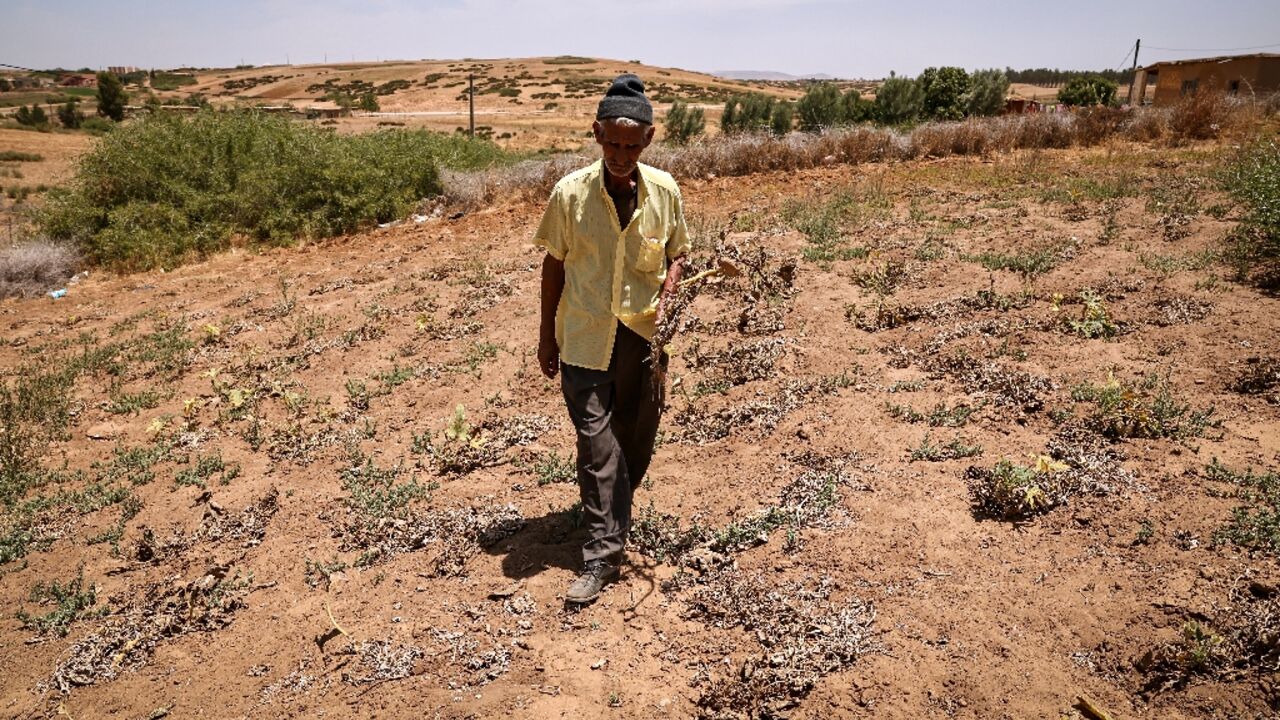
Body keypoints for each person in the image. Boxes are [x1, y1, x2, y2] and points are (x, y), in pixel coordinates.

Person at [533, 74, 690, 604]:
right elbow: (553, 267)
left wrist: (669, 300)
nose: (621, 154)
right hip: (583, 336)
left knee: (635, 442)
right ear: (596, 134)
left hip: (643, 338)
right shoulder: (570, 194)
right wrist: (545, 338)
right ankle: (603, 554)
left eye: (632, 144)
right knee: (597, 443)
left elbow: (678, 256)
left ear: (648, 140)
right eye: (612, 142)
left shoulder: (665, 192)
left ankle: (610, 510)